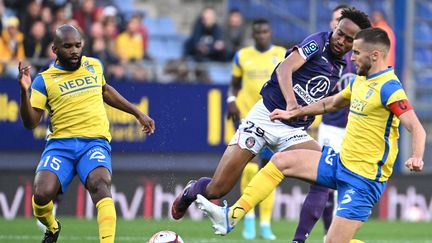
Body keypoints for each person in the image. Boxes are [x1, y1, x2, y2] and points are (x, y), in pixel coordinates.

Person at [196, 27, 426, 243]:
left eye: (356, 52)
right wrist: (294, 112)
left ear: (375, 55)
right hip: (341, 164)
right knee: (280, 161)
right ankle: (231, 217)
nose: (352, 57)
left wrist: (416, 156)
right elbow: (330, 103)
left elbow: (416, 127)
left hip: (364, 181)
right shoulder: (361, 81)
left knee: (333, 242)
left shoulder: (389, 87)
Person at [171, 7, 371, 227]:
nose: (341, 40)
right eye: (339, 33)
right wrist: (292, 103)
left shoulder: (342, 67)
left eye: (348, 39)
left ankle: (303, 238)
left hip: (293, 132)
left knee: (328, 173)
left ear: (356, 43)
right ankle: (191, 191)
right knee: (217, 189)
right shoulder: (318, 42)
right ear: (335, 27)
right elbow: (284, 69)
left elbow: (327, 103)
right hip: (264, 117)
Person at [18, 24, 155, 243]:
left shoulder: (94, 66)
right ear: (55, 49)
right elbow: (30, 122)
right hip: (60, 146)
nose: (74, 50)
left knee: (101, 183)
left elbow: (105, 91)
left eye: (78, 45)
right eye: (68, 46)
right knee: (41, 195)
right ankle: (52, 228)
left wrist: (138, 113)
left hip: (93, 143)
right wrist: (24, 93)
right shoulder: (44, 80)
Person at [292, 4, 355, 243]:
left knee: (346, 189)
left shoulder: (360, 56)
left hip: (356, 132)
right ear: (333, 25)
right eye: (336, 21)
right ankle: (324, 235)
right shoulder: (320, 52)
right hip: (331, 127)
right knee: (323, 183)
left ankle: (337, 237)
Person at [226, 18, 286, 240]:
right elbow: (234, 83)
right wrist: (231, 99)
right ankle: (248, 219)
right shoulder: (242, 56)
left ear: (270, 33)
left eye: (265, 31)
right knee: (250, 169)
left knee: (270, 171)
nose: (262, 35)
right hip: (247, 118)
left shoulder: (282, 54)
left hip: (274, 120)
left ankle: (266, 224)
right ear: (253, 35)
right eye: (258, 32)